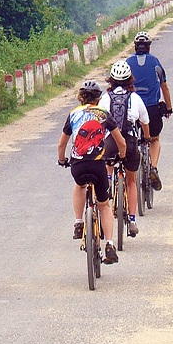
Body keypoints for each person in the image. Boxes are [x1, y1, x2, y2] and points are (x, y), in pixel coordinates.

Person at [57, 80, 127, 264]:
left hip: (78, 165)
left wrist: (62, 159)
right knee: (104, 205)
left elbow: (62, 143)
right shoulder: (104, 114)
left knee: (79, 185)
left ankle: (79, 222)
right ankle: (110, 244)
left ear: (81, 97)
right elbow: (120, 142)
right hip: (97, 165)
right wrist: (121, 156)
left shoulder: (73, 114)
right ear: (98, 98)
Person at [99, 60, 150, 237]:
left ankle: (107, 184)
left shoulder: (105, 99)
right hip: (129, 142)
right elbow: (145, 122)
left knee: (108, 165)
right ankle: (133, 219)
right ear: (130, 80)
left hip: (111, 142)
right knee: (131, 182)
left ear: (111, 80)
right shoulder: (135, 98)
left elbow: (99, 122)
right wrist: (147, 137)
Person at [126, 31, 173, 190]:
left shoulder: (127, 63)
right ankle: (153, 167)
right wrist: (168, 107)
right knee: (154, 139)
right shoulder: (155, 63)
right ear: (149, 47)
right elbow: (164, 87)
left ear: (135, 47)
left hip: (132, 110)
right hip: (152, 109)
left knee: (129, 138)